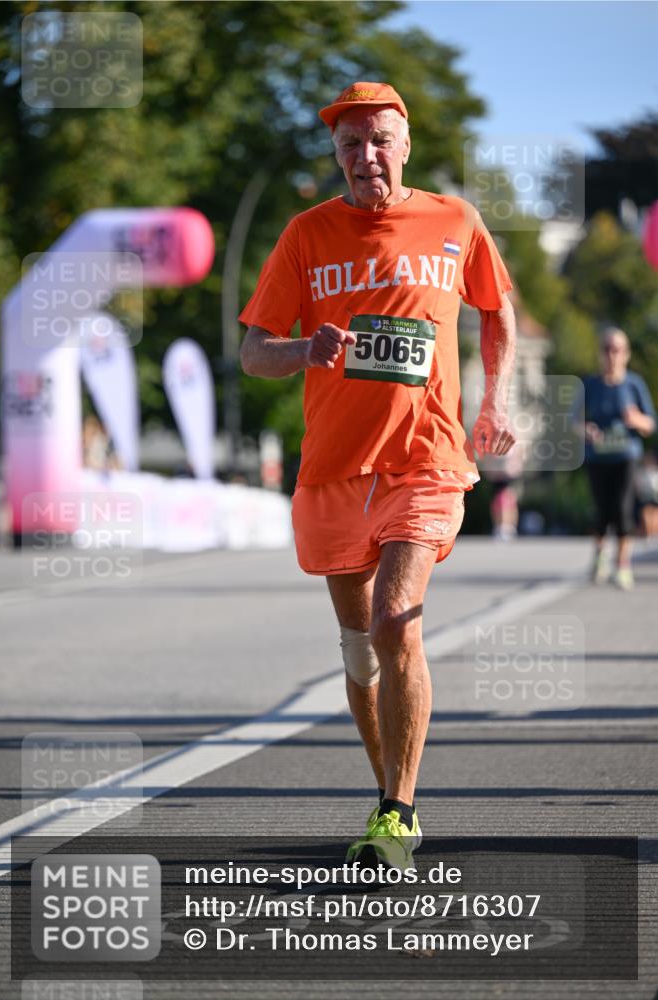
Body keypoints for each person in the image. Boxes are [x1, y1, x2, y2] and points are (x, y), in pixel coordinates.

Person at [239, 82, 516, 870]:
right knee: (360, 651)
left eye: (380, 141)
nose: (367, 156)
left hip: (425, 461)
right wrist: (302, 350)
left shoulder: (453, 220)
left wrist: (492, 400)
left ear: (405, 144)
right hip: (332, 470)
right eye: (351, 144)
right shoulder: (306, 233)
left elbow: (496, 310)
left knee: (398, 621)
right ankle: (386, 796)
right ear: (337, 153)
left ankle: (399, 807)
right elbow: (254, 351)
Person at [577, 327, 656, 590]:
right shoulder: (590, 384)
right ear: (601, 354)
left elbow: (650, 424)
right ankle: (600, 557)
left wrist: (637, 420)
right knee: (601, 510)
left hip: (626, 456)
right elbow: (573, 420)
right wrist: (585, 429)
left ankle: (622, 565)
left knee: (623, 510)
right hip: (598, 457)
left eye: (618, 349)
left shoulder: (634, 384)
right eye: (607, 349)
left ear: (626, 354)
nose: (612, 355)